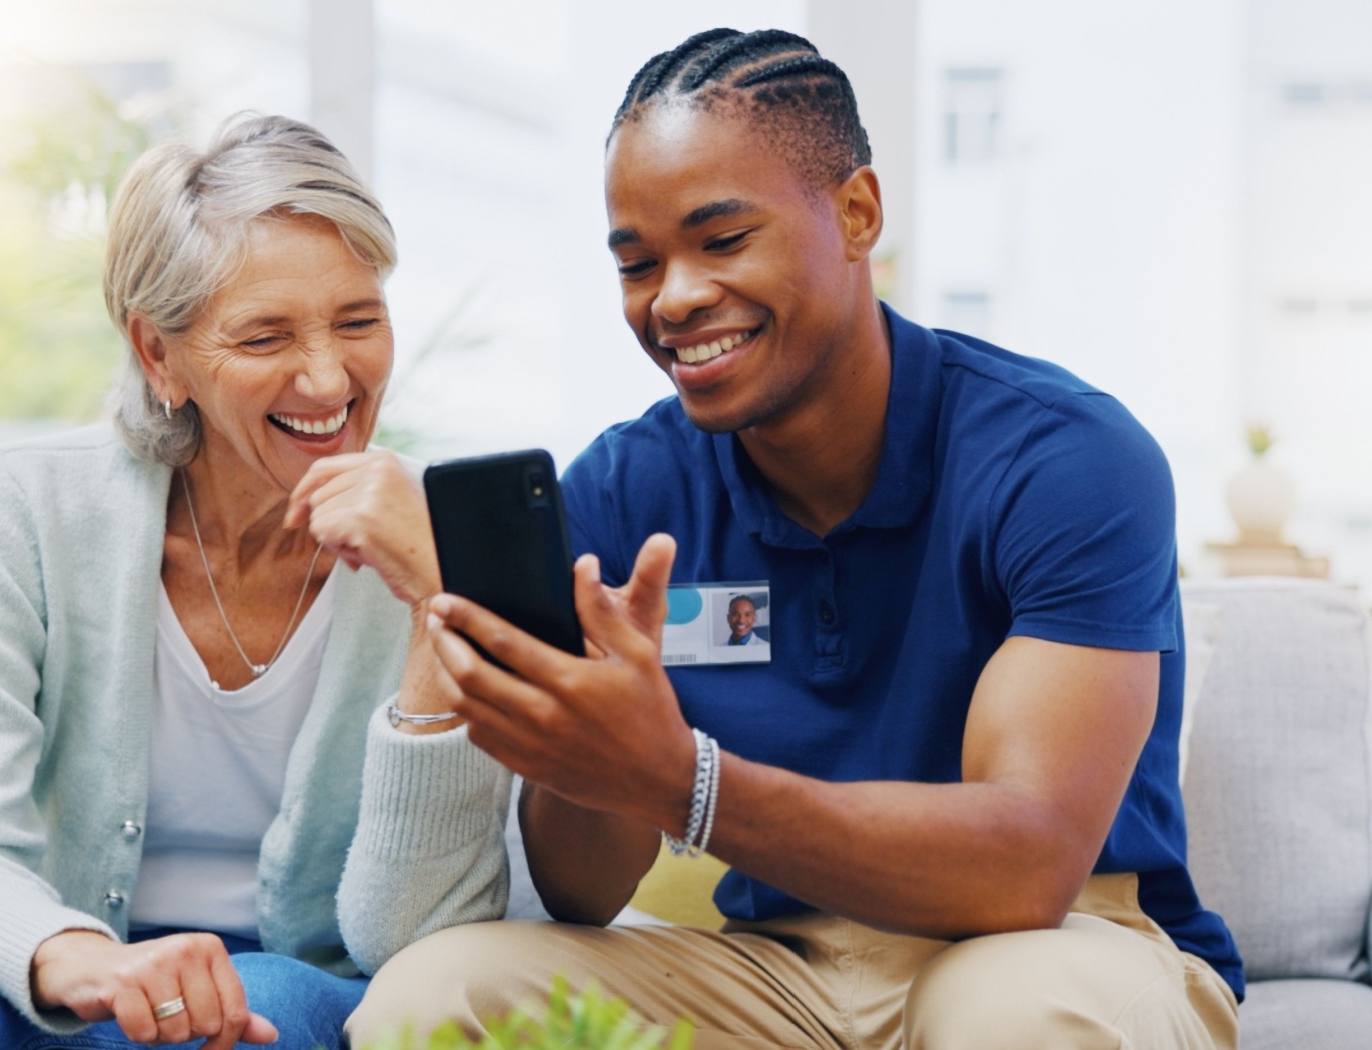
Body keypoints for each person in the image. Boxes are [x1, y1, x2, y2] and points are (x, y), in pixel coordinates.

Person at [345, 27, 1243, 1050]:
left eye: (721, 241)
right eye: (638, 262)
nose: (673, 298)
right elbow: (582, 892)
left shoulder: (1065, 457)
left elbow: (1024, 865)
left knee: (1019, 1014)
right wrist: (591, 755)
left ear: (856, 213)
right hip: (778, 963)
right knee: (434, 996)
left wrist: (675, 777)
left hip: (1054, 938)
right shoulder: (626, 485)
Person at [0, 114, 506, 1050]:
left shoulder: (451, 534)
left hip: (305, 979)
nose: (327, 378)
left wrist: (440, 607)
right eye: (266, 335)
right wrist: (81, 955)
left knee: (244, 1011)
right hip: (72, 960)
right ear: (159, 353)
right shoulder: (22, 503)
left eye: (359, 321)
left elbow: (410, 941)